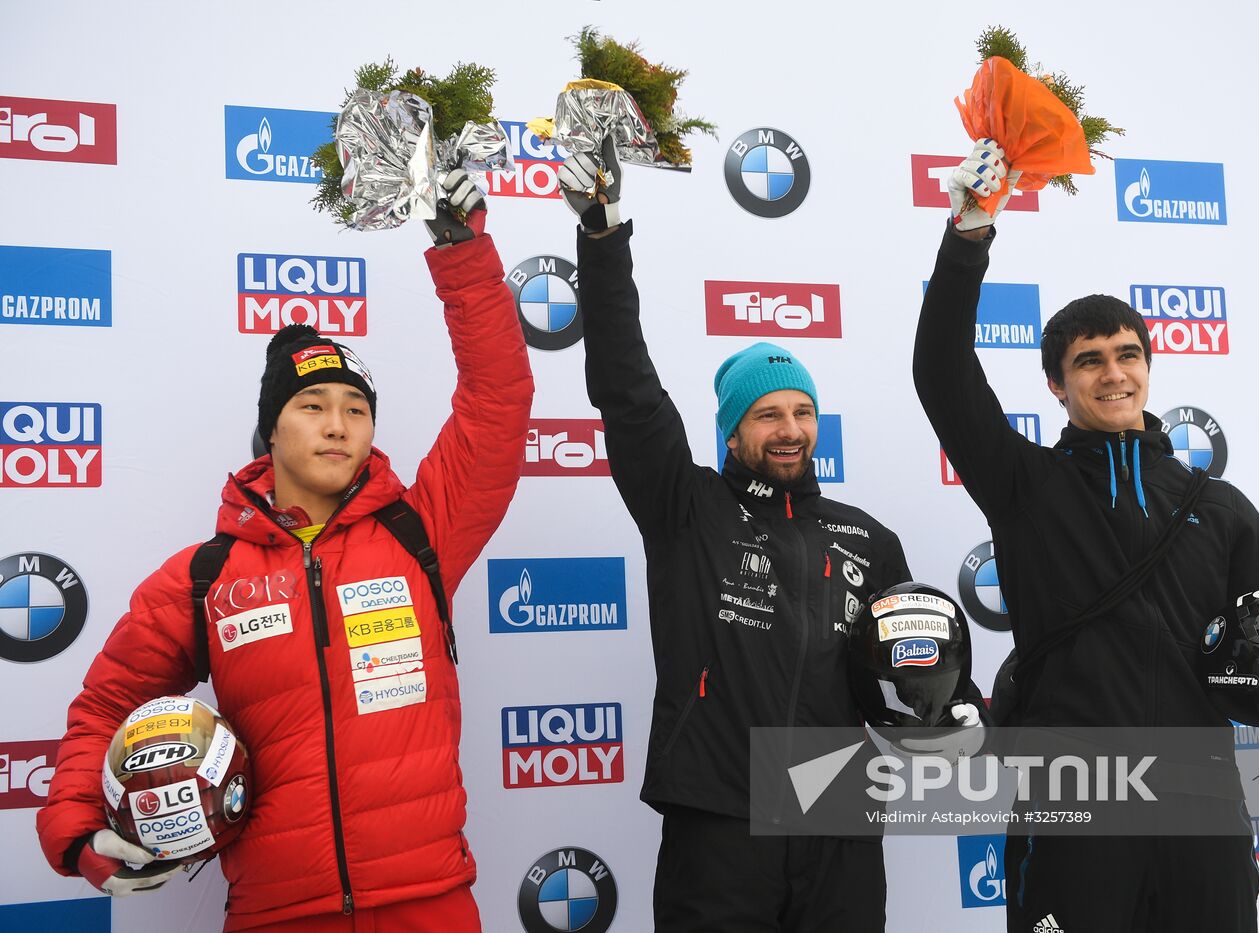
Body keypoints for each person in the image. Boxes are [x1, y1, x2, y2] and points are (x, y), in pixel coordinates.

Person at [914, 139, 1259, 933]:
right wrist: (967, 237)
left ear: (1149, 365)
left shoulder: (1219, 504)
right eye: (1090, 360)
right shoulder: (1025, 485)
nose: (1114, 374)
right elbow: (941, 372)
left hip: (1203, 805)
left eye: (1128, 355)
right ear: (1057, 384)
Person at [36, 176, 533, 932]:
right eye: (312, 407)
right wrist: (76, 828)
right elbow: (107, 704)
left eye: (356, 410)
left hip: (427, 901)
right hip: (278, 912)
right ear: (272, 430)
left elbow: (497, 399)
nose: (337, 425)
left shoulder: (420, 529)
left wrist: (462, 253)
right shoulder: (206, 577)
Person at [555, 141, 981, 933]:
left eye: (803, 411)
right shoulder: (687, 506)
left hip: (839, 819)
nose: (790, 431)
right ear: (733, 430)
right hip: (720, 818)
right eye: (768, 414)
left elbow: (915, 669)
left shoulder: (867, 537)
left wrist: (955, 710)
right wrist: (603, 241)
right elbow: (626, 383)